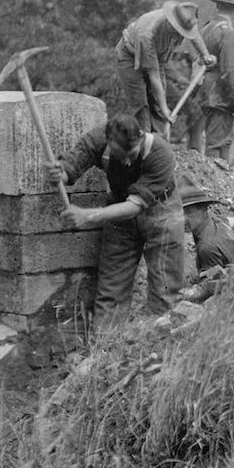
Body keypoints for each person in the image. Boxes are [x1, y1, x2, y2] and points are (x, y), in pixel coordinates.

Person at [48, 113, 185, 326]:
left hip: (162, 212)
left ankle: (159, 345)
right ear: (110, 145)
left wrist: (88, 216)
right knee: (112, 287)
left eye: (131, 154)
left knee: (165, 290)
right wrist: (60, 175)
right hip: (120, 208)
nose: (127, 161)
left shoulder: (161, 153)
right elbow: (74, 162)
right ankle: (105, 349)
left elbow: (133, 207)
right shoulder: (99, 140)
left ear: (140, 138)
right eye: (121, 156)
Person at [116, 2, 215, 135]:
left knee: (158, 104)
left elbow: (195, 36)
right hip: (130, 56)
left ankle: (159, 144)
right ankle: (144, 144)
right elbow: (154, 76)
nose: (180, 35)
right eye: (178, 31)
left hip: (157, 57)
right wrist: (165, 109)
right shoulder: (147, 34)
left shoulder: (186, 18)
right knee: (140, 104)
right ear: (170, 22)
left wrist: (205, 55)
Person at [200, 0, 234, 161]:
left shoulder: (206, 29)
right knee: (218, 145)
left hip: (207, 93)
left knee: (217, 141)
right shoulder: (227, 33)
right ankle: (216, 186)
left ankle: (220, 183)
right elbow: (230, 71)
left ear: (218, 5)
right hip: (220, 96)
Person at [177, 181, 234, 272]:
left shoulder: (206, 249)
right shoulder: (216, 222)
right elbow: (233, 221)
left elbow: (211, 284)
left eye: (188, 213)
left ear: (204, 209)